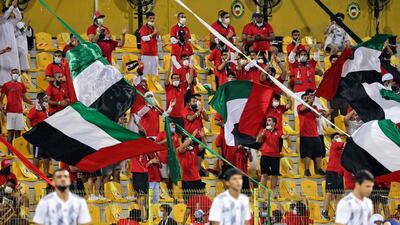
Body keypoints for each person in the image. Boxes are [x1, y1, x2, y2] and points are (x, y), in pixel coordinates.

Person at [0, 69, 31, 146]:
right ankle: (9, 150)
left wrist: (33, 102)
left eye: (17, 73)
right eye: (14, 73)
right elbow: (1, 99)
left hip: (20, 111)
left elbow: (25, 99)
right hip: (10, 111)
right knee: (10, 132)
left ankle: (16, 150)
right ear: (10, 74)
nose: (15, 74)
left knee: (18, 131)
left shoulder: (21, 85)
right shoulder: (6, 85)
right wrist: (1, 111)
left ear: (19, 74)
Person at [297, 93, 325, 176]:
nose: (307, 99)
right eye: (305, 98)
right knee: (307, 154)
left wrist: (311, 107)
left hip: (315, 134)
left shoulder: (314, 107)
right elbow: (302, 109)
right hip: (305, 134)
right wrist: (308, 102)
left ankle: (318, 168)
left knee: (319, 153)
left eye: (308, 97)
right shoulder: (299, 106)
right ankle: (307, 170)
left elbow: (317, 115)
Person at [256, 116, 287, 191]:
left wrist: (286, 137)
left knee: (275, 175)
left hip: (275, 156)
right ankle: (262, 193)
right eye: (267, 120)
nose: (267, 122)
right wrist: (262, 135)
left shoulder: (278, 131)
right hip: (265, 155)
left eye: (269, 120)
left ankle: (273, 192)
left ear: (274, 123)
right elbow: (258, 140)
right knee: (264, 175)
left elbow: (282, 136)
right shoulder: (263, 130)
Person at [27, 92, 51, 177]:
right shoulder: (35, 109)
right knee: (37, 155)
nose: (46, 100)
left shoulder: (45, 110)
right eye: (45, 99)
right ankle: (35, 173)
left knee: (46, 156)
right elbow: (28, 120)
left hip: (46, 135)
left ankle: (46, 172)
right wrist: (31, 130)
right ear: (40, 100)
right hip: (38, 135)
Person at [321, 133, 344, 220]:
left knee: (339, 194)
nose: (339, 138)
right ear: (332, 140)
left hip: (340, 172)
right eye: (336, 137)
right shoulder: (334, 145)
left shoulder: (342, 149)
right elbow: (345, 144)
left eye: (339, 137)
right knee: (329, 192)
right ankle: (324, 212)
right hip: (332, 171)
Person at [0, 0, 20, 86]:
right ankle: (3, 83)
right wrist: (11, 6)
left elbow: (19, 18)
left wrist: (15, 8)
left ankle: (15, 81)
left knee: (14, 64)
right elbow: (4, 17)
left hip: (13, 48)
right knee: (4, 65)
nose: (8, 15)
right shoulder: (1, 20)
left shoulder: (11, 22)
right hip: (3, 47)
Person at [139, 12, 159, 76]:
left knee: (154, 74)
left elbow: (158, 39)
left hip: (154, 54)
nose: (152, 20)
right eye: (150, 18)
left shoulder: (154, 29)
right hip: (146, 55)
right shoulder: (143, 28)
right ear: (147, 19)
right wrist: (153, 34)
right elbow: (144, 38)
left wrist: (157, 34)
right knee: (145, 74)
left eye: (153, 18)